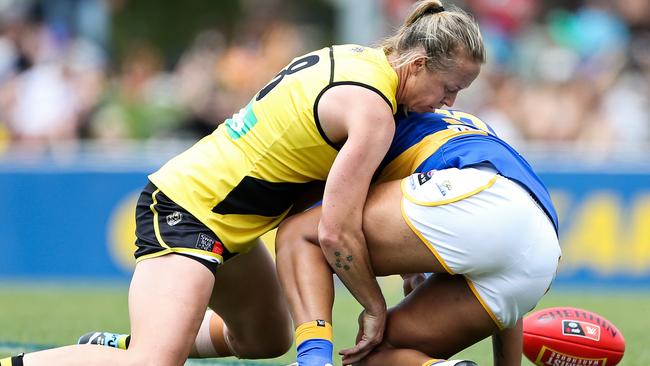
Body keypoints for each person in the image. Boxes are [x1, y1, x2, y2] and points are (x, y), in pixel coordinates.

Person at [0, 1, 485, 366]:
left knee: (266, 340)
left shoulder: (362, 59)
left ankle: (123, 343)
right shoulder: (373, 111)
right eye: (449, 89)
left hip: (232, 225)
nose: (448, 103)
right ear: (417, 64)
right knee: (154, 363)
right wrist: (374, 307)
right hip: (187, 208)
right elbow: (335, 232)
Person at [274, 109, 561, 366]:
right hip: (542, 248)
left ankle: (312, 360)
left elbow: (336, 235)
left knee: (300, 235)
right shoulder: (466, 124)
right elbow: (504, 241)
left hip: (474, 196)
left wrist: (373, 305)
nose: (450, 98)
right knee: (372, 356)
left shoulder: (367, 115)